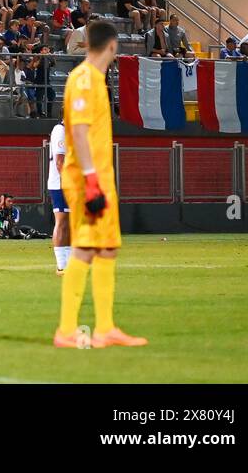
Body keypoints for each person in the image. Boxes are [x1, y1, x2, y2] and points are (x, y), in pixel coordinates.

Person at [53, 20, 148, 349]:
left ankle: (105, 328)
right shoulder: (83, 79)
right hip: (86, 178)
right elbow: (77, 131)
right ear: (112, 45)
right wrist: (92, 180)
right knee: (86, 247)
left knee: (107, 247)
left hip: (100, 176)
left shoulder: (95, 79)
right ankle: (66, 330)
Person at [48, 120, 70, 273]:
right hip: (60, 184)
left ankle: (69, 263)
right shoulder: (60, 130)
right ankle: (61, 265)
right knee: (61, 221)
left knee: (70, 223)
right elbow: (59, 161)